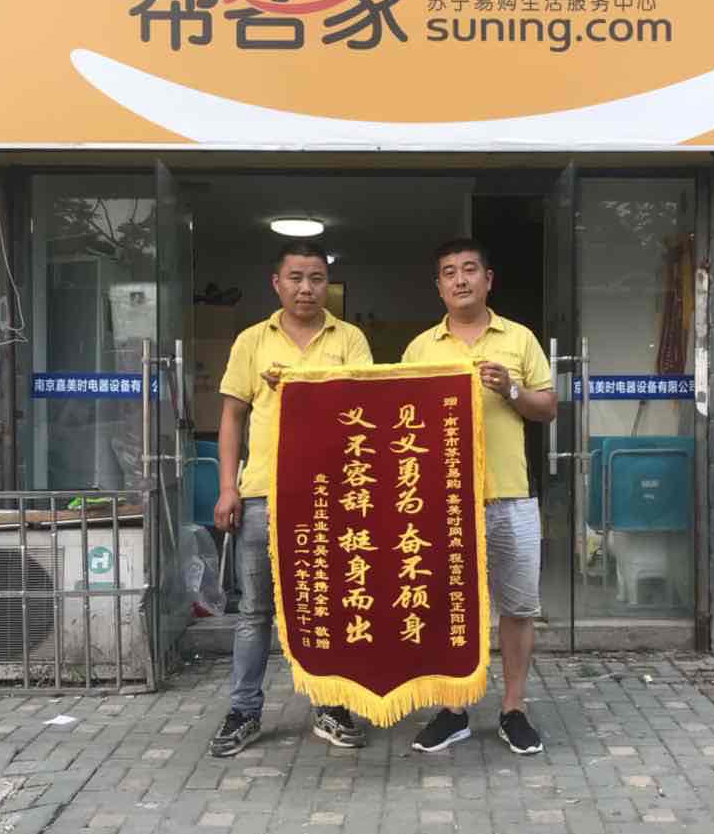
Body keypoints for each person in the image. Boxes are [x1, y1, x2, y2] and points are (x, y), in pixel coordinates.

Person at [210, 241, 373, 757]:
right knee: (255, 611)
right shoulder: (252, 341)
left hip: (333, 498)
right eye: (296, 278)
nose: (306, 288)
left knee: (330, 606)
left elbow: (365, 408)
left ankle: (332, 705)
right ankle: (244, 711)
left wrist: (306, 385)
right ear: (276, 283)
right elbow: (231, 418)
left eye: (316, 278)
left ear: (329, 285)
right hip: (264, 494)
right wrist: (228, 487)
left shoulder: (350, 339)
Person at [403, 238, 556, 755]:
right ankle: (453, 709)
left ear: (488, 279)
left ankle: (514, 709)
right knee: (449, 608)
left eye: (470, 269)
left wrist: (511, 389)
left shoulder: (519, 338)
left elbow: (548, 407)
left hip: (509, 496)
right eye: (449, 272)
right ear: (439, 286)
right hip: (443, 504)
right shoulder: (421, 348)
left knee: (517, 607)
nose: (460, 279)